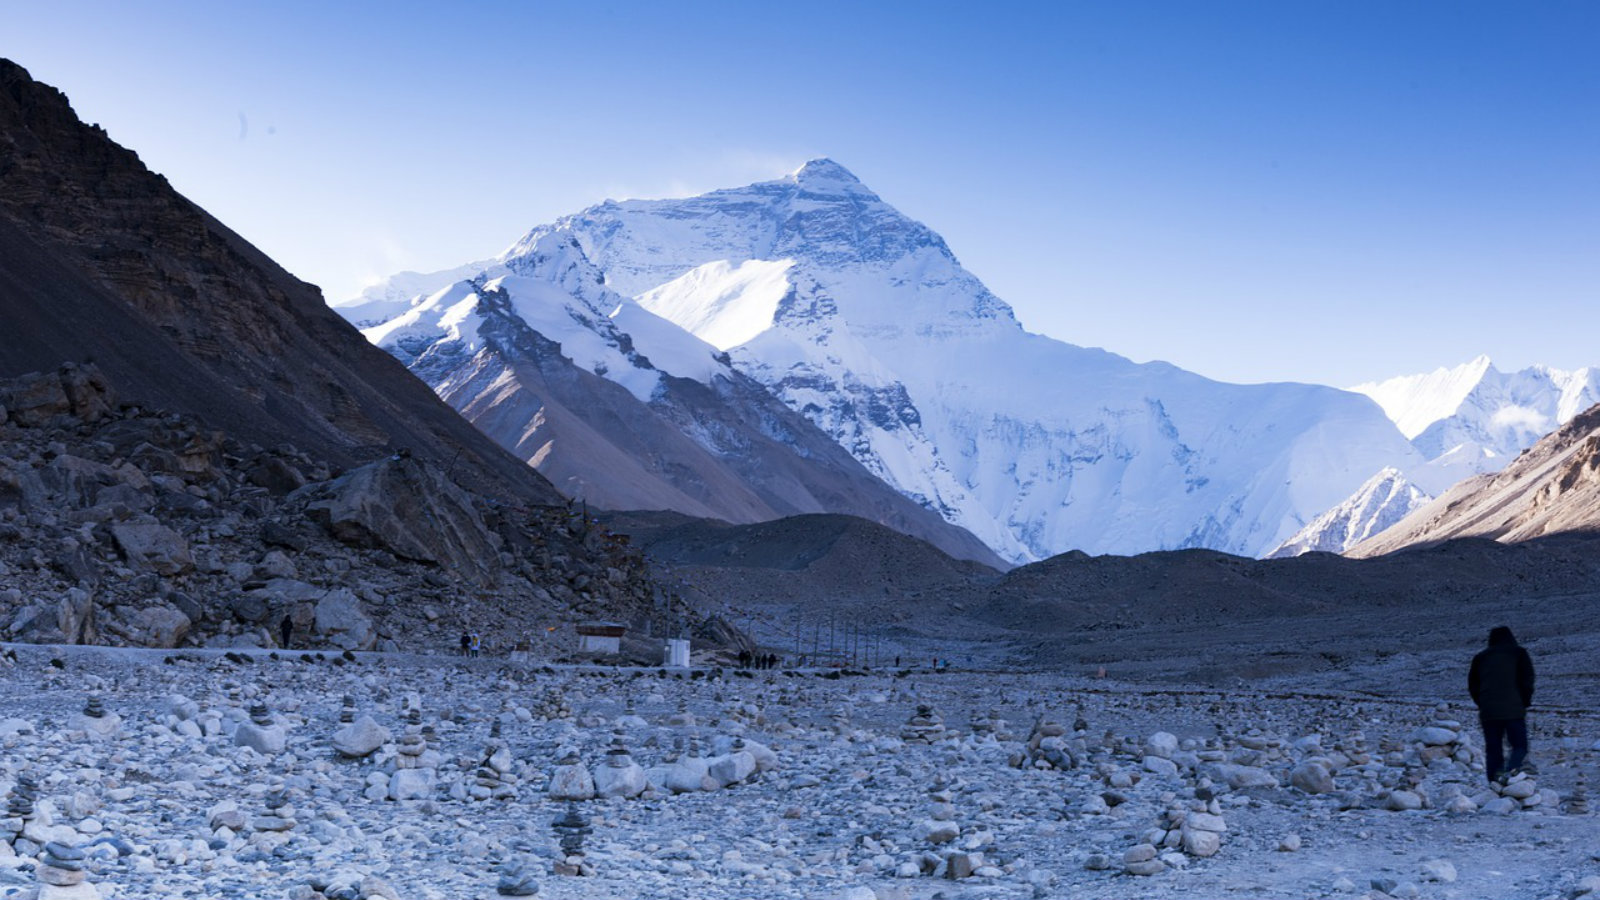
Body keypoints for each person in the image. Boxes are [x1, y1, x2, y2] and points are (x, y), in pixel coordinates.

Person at [1468, 625, 1536, 783]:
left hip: (1488, 711)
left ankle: (1493, 783)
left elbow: (1473, 685)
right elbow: (1527, 680)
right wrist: (1524, 702)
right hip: (1514, 710)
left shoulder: (1481, 657)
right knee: (1520, 746)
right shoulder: (1518, 653)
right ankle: (1512, 771)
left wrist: (1482, 703)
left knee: (1493, 749)